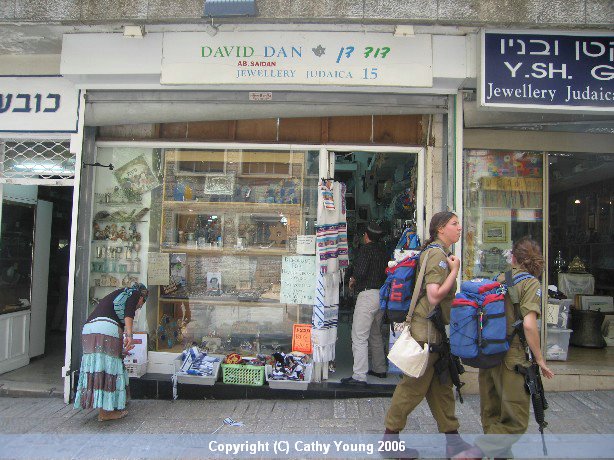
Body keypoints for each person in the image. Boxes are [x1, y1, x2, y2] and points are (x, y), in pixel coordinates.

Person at [454, 237, 555, 459]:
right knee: (515, 419)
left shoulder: (500, 278)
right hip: (513, 359)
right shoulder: (530, 283)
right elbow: (529, 325)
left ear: (514, 258)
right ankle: (475, 452)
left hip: (490, 354)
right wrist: (539, 359)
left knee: (492, 414)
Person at [383, 211, 471, 458]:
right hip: (426, 333)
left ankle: (453, 441)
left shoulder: (438, 253)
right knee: (412, 387)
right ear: (441, 229)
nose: (459, 228)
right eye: (454, 224)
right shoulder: (437, 256)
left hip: (434, 332)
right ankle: (389, 440)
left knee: (442, 386)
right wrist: (455, 271)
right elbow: (434, 295)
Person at [74, 282, 148, 421]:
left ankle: (100, 404)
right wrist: (130, 335)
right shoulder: (134, 293)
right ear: (142, 297)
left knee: (96, 367)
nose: (140, 306)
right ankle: (106, 412)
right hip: (106, 329)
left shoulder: (115, 296)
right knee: (109, 369)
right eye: (141, 303)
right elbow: (129, 313)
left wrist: (121, 348)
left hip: (89, 329)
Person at [340, 222, 389, 386]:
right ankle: (380, 369)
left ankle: (359, 375)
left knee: (359, 336)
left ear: (366, 236)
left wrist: (352, 280)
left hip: (367, 295)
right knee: (376, 334)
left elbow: (360, 272)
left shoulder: (365, 250)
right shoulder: (384, 251)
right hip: (381, 295)